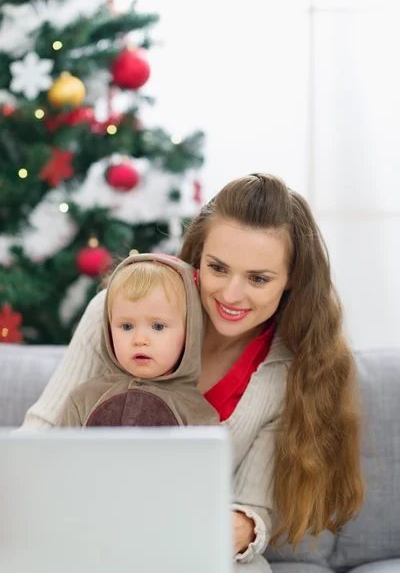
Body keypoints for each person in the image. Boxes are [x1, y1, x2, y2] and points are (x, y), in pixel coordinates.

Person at [21, 173, 365, 572]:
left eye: (258, 278)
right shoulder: (120, 313)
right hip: (89, 530)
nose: (231, 295)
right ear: (197, 255)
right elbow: (44, 429)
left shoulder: (286, 372)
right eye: (218, 268)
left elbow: (252, 507)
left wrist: (238, 527)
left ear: (291, 282)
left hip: (187, 546)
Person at [56, 252, 219, 427]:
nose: (140, 340)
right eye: (127, 326)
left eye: (158, 326)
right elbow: (60, 452)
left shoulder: (198, 415)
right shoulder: (82, 400)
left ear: (189, 333)